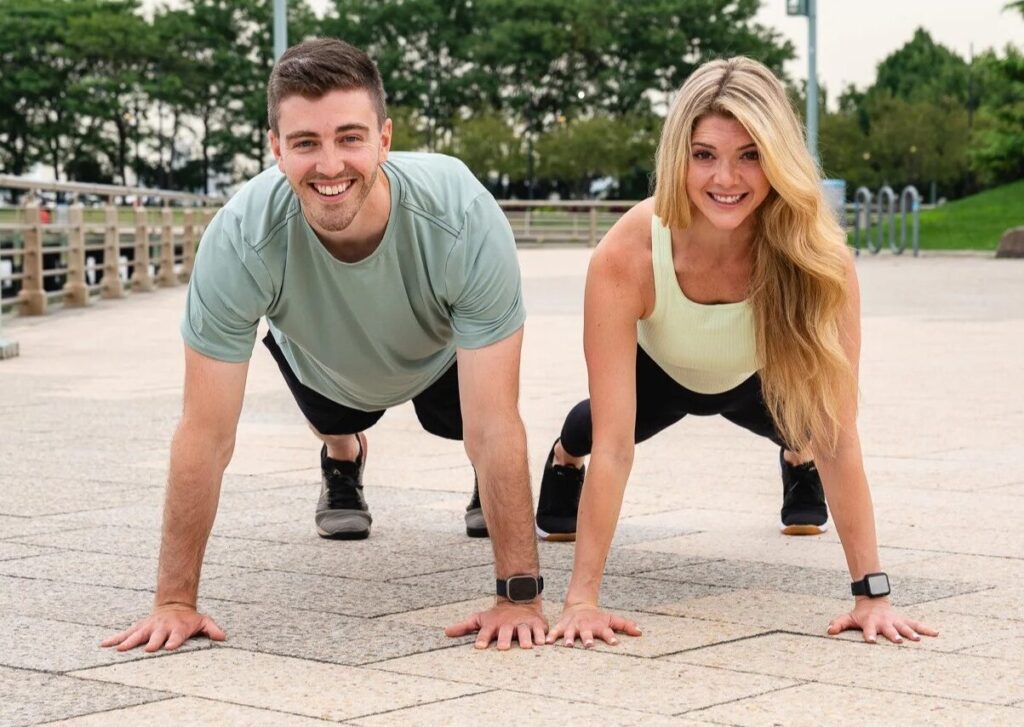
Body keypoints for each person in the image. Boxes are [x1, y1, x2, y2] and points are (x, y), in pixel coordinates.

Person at [102, 38, 546, 653]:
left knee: (472, 427)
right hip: (326, 369)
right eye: (306, 143)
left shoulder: (461, 213)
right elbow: (204, 433)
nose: (330, 164)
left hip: (439, 356)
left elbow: (497, 423)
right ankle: (344, 457)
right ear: (276, 148)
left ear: (385, 139)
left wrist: (517, 596)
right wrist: (174, 601)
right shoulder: (241, 236)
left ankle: (480, 486)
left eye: (350, 138)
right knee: (340, 420)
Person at [535, 57, 939, 648]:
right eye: (705, 155)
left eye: (750, 154)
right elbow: (618, 448)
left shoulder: (819, 256)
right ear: (679, 155)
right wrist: (581, 601)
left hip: (757, 375)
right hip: (663, 371)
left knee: (811, 430)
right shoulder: (627, 254)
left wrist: (872, 594)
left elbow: (839, 434)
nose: (727, 177)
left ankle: (792, 459)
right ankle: (564, 460)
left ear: (779, 156)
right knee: (595, 425)